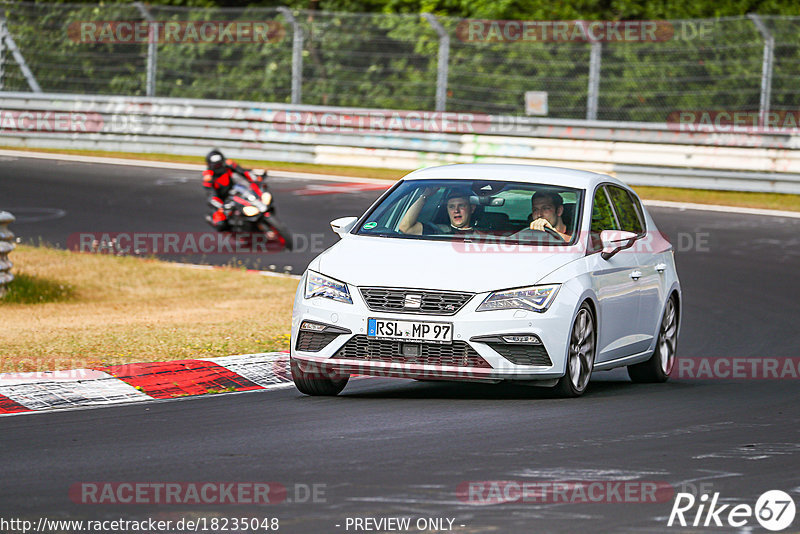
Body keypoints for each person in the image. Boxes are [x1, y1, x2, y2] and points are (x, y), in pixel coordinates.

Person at [202, 149, 265, 231]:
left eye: (220, 164)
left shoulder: (228, 164)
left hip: (235, 191)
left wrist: (256, 178)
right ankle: (237, 233)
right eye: (216, 165)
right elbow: (210, 194)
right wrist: (220, 206)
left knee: (254, 197)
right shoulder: (208, 176)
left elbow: (243, 171)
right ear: (210, 165)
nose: (219, 167)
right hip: (222, 200)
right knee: (220, 222)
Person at [398, 187, 476, 235]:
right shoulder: (437, 231)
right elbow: (405, 228)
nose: (456, 210)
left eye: (461, 205)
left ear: (472, 208)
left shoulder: (483, 235)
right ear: (447, 210)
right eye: (451, 207)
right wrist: (425, 196)